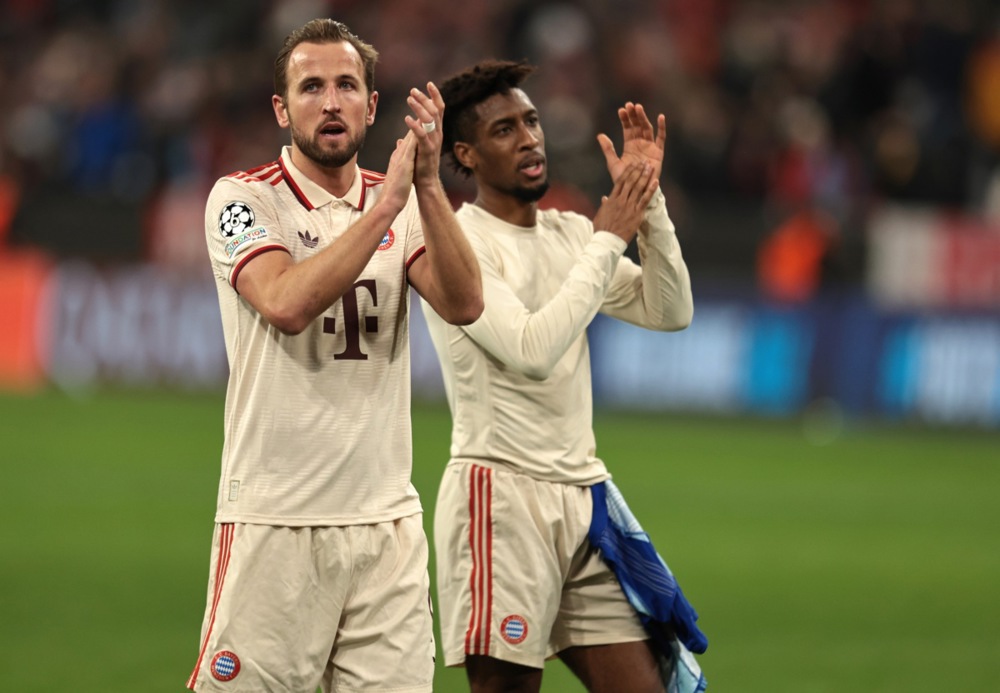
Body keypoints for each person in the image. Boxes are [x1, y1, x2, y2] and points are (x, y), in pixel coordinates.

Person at [186, 19, 483, 693]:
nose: (330, 101)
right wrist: (383, 211)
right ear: (281, 108)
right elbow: (285, 302)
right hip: (275, 521)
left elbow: (465, 303)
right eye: (311, 86)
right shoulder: (241, 200)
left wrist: (430, 187)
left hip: (386, 531)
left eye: (347, 85)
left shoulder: (406, 202)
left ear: (372, 106)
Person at [421, 60, 706, 692]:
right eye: (504, 130)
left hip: (585, 502)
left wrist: (647, 201)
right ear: (463, 153)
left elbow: (671, 310)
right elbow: (531, 348)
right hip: (500, 498)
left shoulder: (570, 233)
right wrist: (608, 241)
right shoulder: (457, 246)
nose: (529, 138)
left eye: (531, 121)